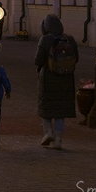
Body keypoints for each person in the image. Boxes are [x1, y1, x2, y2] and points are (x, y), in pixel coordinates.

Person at [35, 14, 78, 150]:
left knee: (46, 107)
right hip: (66, 80)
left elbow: (38, 60)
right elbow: (76, 58)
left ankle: (48, 132)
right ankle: (58, 138)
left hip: (48, 78)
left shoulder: (45, 39)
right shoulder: (69, 39)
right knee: (60, 111)